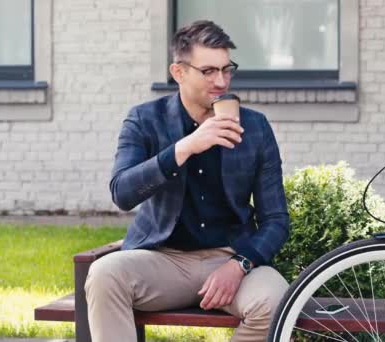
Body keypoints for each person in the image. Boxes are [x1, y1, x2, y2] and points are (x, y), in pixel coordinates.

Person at [85, 20, 290, 342]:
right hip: (163, 259)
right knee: (104, 274)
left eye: (227, 69)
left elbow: (276, 220)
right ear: (178, 72)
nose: (221, 81)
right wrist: (184, 148)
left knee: (276, 300)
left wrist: (240, 264)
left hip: (231, 257)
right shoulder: (144, 119)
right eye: (208, 71)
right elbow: (122, 193)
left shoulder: (256, 127)